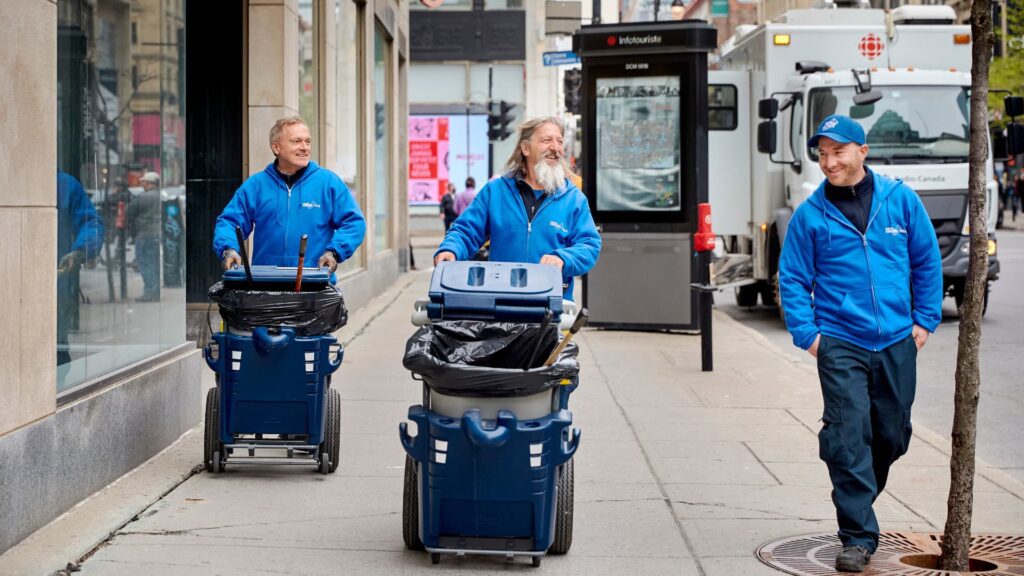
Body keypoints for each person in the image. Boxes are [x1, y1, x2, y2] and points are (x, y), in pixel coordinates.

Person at [778, 115, 942, 573]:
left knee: (891, 434)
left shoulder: (900, 200)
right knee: (848, 438)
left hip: (896, 339)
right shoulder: (811, 215)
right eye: (823, 154)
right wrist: (810, 337)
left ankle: (859, 497)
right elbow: (792, 277)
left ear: (861, 152)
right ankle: (857, 535)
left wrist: (925, 320)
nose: (829, 162)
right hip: (841, 342)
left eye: (838, 151)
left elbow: (926, 260)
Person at [433, 116, 601, 299]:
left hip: (552, 306)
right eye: (546, 140)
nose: (555, 147)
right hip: (501, 303)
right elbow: (466, 230)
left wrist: (563, 258)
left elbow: (589, 245)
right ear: (525, 148)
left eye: (559, 141)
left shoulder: (574, 199)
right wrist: (450, 249)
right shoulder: (496, 191)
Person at [213, 116, 366, 274]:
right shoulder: (255, 186)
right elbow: (229, 222)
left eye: (307, 141)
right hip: (266, 284)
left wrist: (333, 252)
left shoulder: (329, 183)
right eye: (296, 141)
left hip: (315, 284)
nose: (304, 147)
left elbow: (354, 223)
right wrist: (229, 249)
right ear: (276, 148)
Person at [57, 171, 104, 374]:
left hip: (57, 283)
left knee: (56, 348)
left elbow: (91, 223)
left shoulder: (64, 184)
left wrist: (78, 252)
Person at [128, 171, 163, 301]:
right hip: (155, 234)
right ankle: (155, 291)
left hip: (144, 234)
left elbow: (129, 211)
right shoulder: (160, 195)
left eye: (144, 182)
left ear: (149, 183)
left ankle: (150, 293)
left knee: (145, 263)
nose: (142, 184)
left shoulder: (143, 197)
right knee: (153, 264)